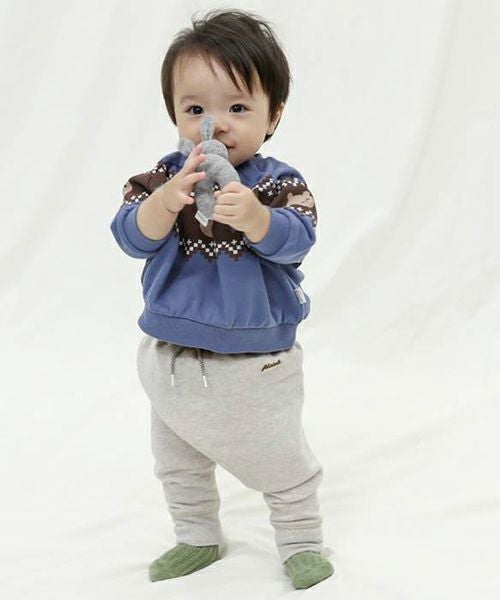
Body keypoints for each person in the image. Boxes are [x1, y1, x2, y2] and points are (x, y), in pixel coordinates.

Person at [110, 8, 333, 590]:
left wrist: (257, 218)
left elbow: (298, 239)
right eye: (195, 110)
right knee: (177, 461)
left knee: (279, 460)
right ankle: (197, 536)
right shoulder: (161, 178)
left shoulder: (278, 184)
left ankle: (301, 539)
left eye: (237, 108)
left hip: (256, 362)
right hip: (172, 354)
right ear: (175, 114)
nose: (216, 125)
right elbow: (130, 236)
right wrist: (165, 203)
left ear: (272, 114)